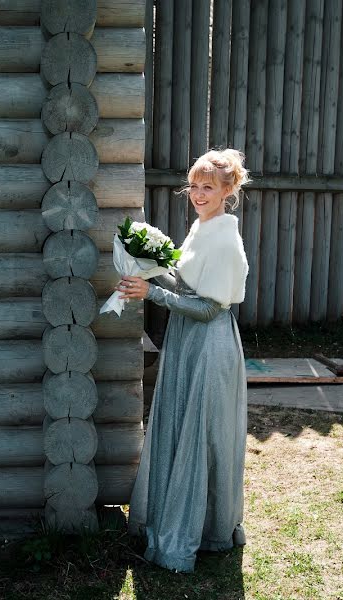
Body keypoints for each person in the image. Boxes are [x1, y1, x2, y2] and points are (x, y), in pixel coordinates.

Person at [117, 148, 250, 573]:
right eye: (193, 185)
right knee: (182, 425)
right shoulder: (201, 227)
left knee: (202, 434)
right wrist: (152, 264)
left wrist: (152, 292)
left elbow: (210, 307)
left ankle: (198, 533)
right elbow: (188, 284)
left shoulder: (226, 237)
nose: (197, 193)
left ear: (228, 190)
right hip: (187, 339)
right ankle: (189, 520)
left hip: (209, 344)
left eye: (207, 187)